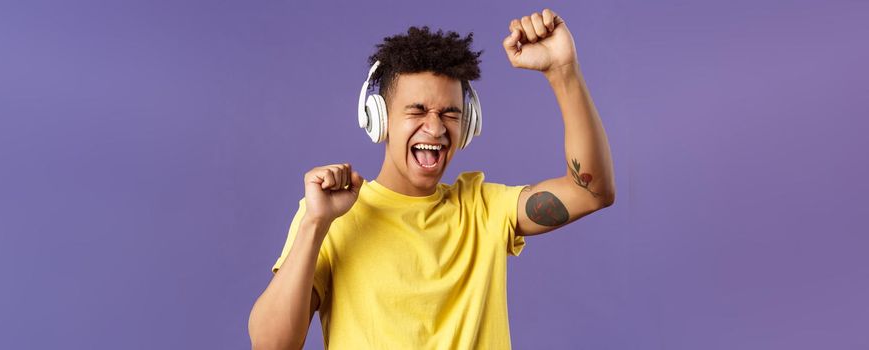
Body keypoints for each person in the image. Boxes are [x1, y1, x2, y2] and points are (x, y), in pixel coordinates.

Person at [248, 8, 615, 349]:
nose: (436, 127)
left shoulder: (484, 208)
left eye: (451, 113)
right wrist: (315, 223)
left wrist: (562, 72)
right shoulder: (329, 217)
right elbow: (271, 345)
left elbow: (592, 191)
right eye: (418, 110)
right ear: (378, 118)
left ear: (468, 125)